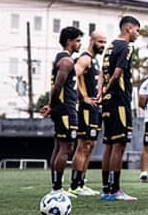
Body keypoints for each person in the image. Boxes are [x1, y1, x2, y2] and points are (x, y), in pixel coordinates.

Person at [100, 15, 140, 201]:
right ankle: (115, 189)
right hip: (119, 100)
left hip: (108, 100)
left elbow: (102, 72)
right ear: (129, 28)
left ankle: (106, 189)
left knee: (109, 144)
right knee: (119, 144)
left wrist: (101, 91)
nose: (137, 34)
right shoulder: (127, 47)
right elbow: (118, 72)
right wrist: (108, 88)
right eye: (137, 30)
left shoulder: (109, 47)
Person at [40, 26, 83, 195]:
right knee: (66, 148)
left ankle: (55, 187)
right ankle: (57, 189)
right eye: (78, 40)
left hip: (63, 108)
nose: (80, 44)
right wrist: (51, 105)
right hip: (65, 109)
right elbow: (57, 86)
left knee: (59, 147)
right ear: (69, 41)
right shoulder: (66, 61)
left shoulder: (62, 59)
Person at [69, 30, 106, 196]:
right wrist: (83, 97)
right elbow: (73, 74)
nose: (103, 45)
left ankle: (82, 183)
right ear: (91, 41)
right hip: (86, 109)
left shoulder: (95, 61)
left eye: (104, 42)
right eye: (100, 42)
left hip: (95, 108)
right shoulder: (84, 58)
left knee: (90, 146)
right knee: (83, 145)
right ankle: (75, 185)